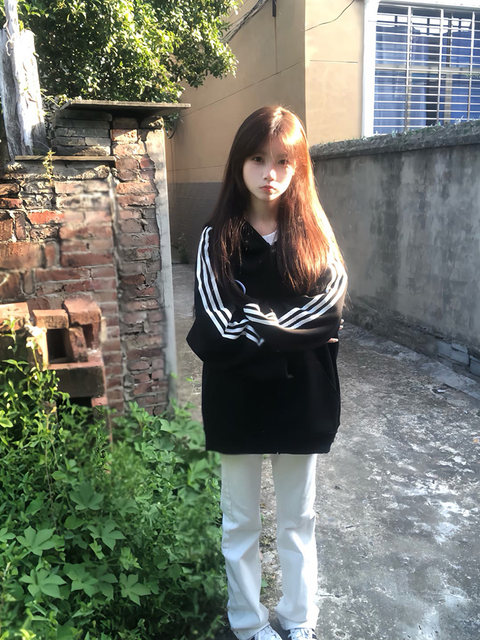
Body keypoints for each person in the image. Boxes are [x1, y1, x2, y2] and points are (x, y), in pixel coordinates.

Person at [186, 106, 347, 640]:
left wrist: (258, 321)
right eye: (258, 159)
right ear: (239, 163)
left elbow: (328, 309)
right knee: (241, 522)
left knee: (298, 520)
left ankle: (298, 619)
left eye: (282, 161)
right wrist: (284, 332)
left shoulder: (316, 233)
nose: (270, 173)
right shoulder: (216, 237)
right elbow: (215, 322)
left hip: (303, 396)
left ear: (299, 166)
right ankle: (248, 622)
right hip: (237, 396)